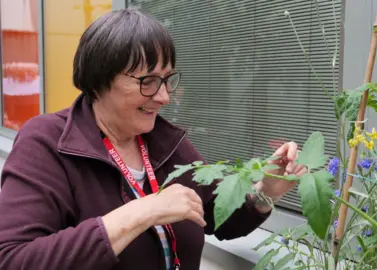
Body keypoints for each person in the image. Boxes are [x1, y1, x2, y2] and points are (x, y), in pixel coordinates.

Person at [0, 9, 306, 270]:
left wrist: (266, 191)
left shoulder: (163, 141)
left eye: (167, 80)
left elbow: (217, 217)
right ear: (98, 81)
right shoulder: (46, 143)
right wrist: (143, 212)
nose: (163, 97)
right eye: (147, 82)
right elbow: (13, 258)